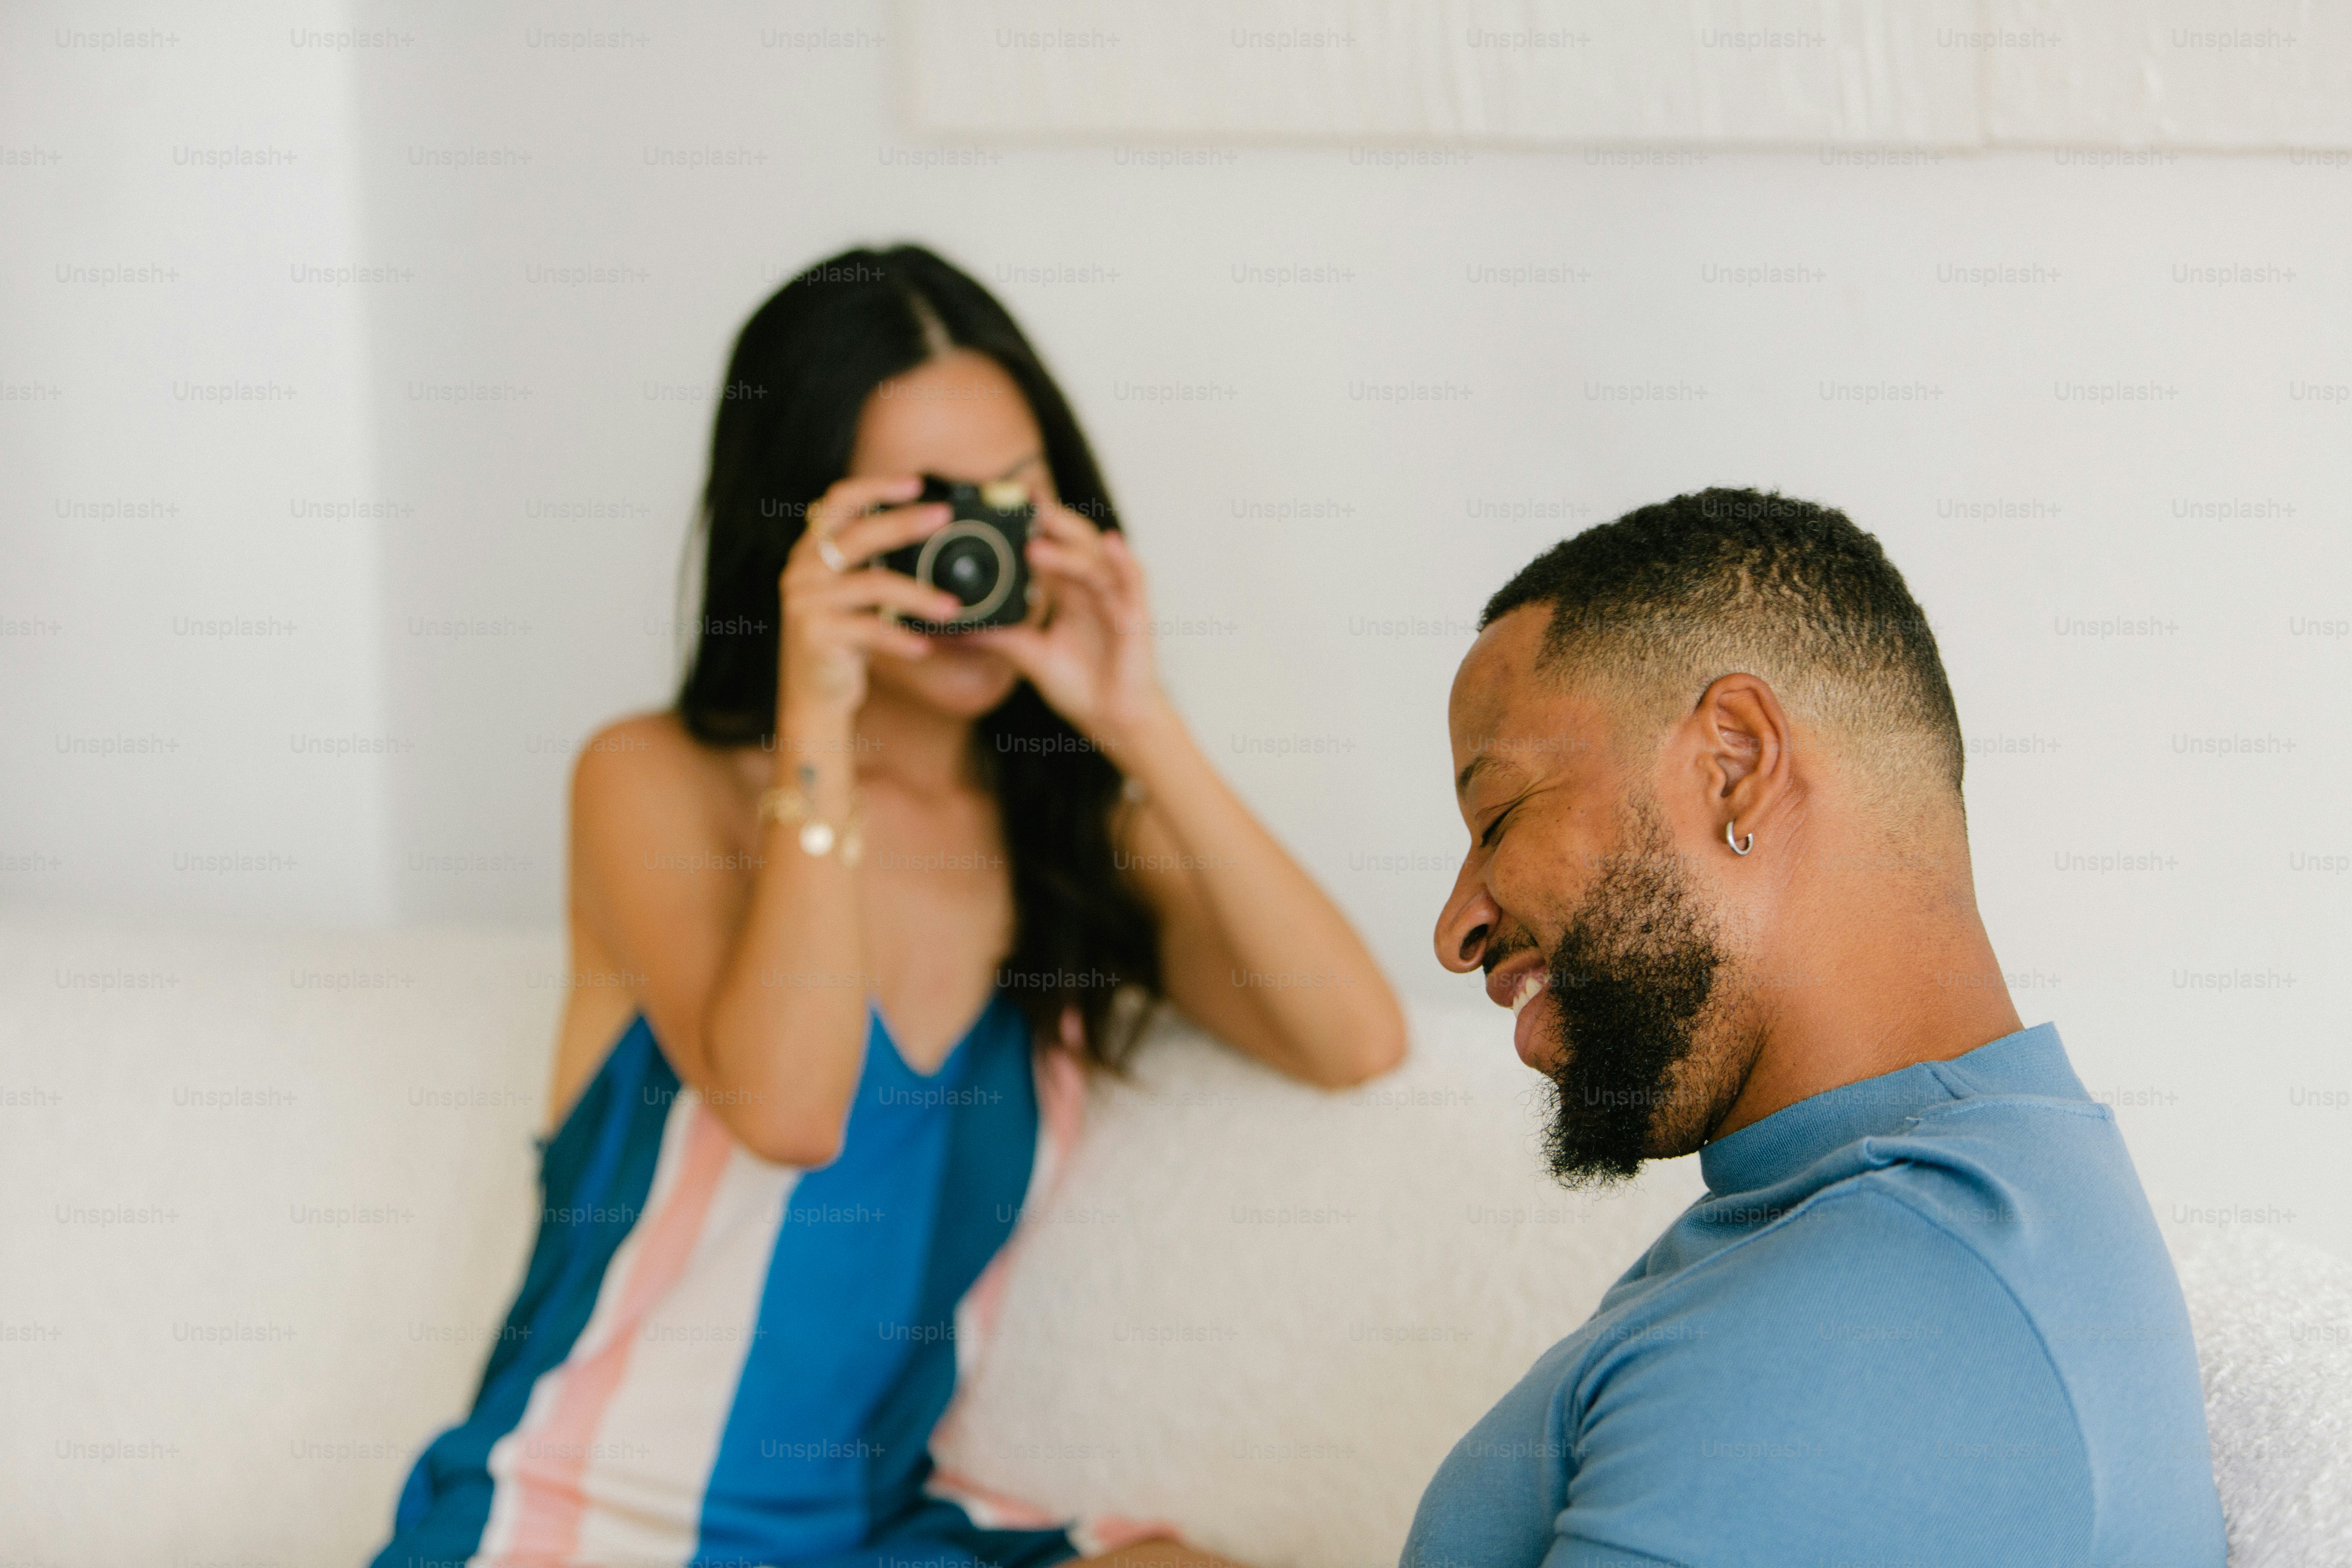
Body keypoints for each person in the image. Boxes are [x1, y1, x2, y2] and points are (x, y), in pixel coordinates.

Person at [373, 245, 1404, 1568]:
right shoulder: (656, 784)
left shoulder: (1072, 835)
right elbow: (795, 1113)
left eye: (1012, 500)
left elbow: (1354, 1041)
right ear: (799, 531)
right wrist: (818, 714)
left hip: (867, 1534)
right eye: (917, 514)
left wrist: (1138, 721)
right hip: (575, 1519)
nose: (975, 556)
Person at [1406, 490, 2225, 1565]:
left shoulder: (1896, 1309)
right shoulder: (1861, 1210)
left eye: (1499, 817)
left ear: (1734, 764)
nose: (1455, 929)